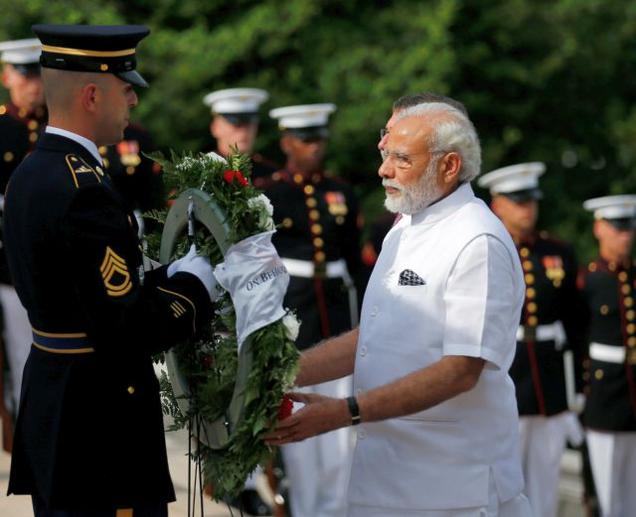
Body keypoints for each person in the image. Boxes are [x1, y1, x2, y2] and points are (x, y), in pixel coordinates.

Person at [268, 101, 532, 517]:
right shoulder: (406, 225)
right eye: (385, 155)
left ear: (448, 166)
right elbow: (375, 336)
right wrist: (279, 373)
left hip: (451, 488)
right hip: (390, 480)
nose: (384, 170)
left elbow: (460, 369)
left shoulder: (476, 240)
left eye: (402, 159)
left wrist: (345, 412)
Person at [5, 24, 218, 515]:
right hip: (98, 419)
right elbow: (127, 326)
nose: (134, 104)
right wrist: (198, 286)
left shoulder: (34, 173)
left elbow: (82, 296)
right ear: (92, 95)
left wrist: (168, 277)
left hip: (58, 395)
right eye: (127, 90)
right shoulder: (84, 190)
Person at [264, 103, 361, 517]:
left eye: (320, 138)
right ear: (287, 143)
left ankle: (336, 509)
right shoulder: (270, 192)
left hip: (337, 310)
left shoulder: (340, 191)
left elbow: (356, 261)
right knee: (299, 422)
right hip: (294, 310)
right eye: (306, 139)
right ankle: (304, 508)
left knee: (343, 435)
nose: (315, 147)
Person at [478, 162, 585, 517]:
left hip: (550, 380)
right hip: (508, 373)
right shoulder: (486, 248)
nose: (527, 209)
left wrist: (578, 389)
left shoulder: (557, 251)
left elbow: (575, 320)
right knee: (503, 480)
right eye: (517, 201)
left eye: (530, 201)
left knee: (546, 476)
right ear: (498, 205)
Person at [0, 37, 47, 451]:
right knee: (19, 357)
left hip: (54, 264)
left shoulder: (60, 126)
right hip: (7, 267)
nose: (34, 83)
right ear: (6, 77)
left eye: (39, 73)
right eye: (25, 74)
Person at [580, 195, 636, 517]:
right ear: (600, 228)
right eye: (617, 228)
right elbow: (577, 336)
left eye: (628, 228)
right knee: (607, 491)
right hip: (604, 392)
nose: (625, 235)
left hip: (632, 393)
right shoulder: (589, 279)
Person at [98, 123, 165, 235]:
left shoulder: (136, 134)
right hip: (106, 209)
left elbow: (151, 175)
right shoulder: (95, 134)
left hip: (137, 207)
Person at [204, 87, 277, 182]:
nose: (243, 130)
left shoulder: (270, 175)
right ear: (215, 127)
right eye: (235, 123)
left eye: (248, 123)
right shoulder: (198, 172)